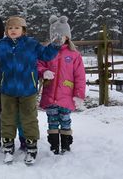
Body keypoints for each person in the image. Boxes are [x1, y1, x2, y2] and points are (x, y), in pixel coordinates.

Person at [0, 16, 62, 165]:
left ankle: (31, 147)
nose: (13, 30)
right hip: (7, 90)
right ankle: (8, 147)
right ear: (6, 30)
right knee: (7, 119)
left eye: (16, 27)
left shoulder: (31, 44)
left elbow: (46, 54)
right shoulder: (0, 45)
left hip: (28, 90)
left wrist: (55, 45)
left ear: (23, 30)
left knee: (29, 119)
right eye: (10, 28)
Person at [38, 15, 86, 154]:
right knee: (52, 120)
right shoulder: (46, 52)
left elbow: (80, 77)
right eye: (55, 36)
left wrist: (79, 95)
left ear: (67, 36)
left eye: (62, 36)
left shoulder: (74, 54)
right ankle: (54, 146)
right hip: (50, 94)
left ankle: (65, 145)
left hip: (66, 96)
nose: (59, 39)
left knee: (65, 120)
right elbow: (38, 65)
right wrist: (44, 71)